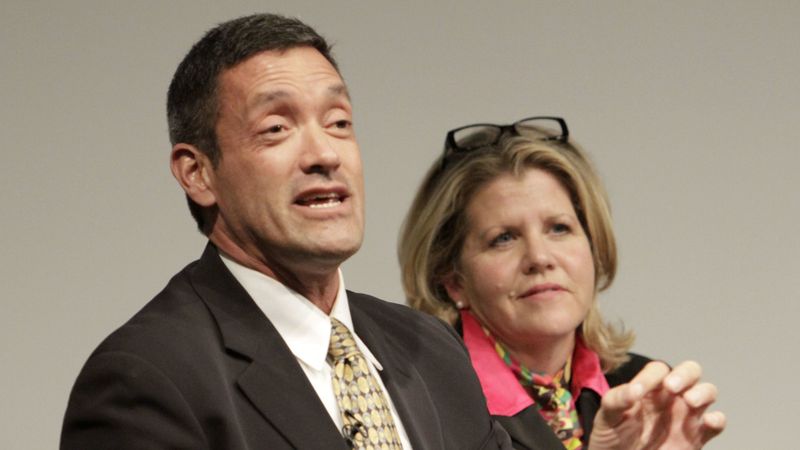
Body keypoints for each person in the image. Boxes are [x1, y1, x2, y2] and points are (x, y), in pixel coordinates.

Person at [60, 14, 513, 450]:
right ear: (197, 173)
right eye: (276, 128)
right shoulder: (147, 381)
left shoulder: (432, 350)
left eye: (338, 123)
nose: (324, 154)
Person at [399, 117, 726, 449]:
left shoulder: (642, 393)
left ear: (594, 245)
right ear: (453, 280)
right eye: (504, 238)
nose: (540, 258)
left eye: (559, 228)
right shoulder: (420, 404)